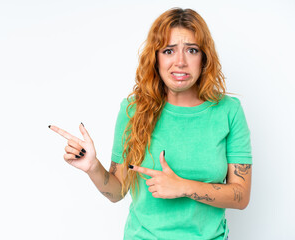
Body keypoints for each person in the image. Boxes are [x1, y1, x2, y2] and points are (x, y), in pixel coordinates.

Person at [49, 7, 252, 240]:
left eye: (192, 50)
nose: (180, 62)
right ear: (155, 58)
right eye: (168, 50)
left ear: (204, 58)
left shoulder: (229, 111)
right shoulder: (133, 110)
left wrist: (183, 187)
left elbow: (241, 195)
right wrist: (93, 167)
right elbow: (117, 192)